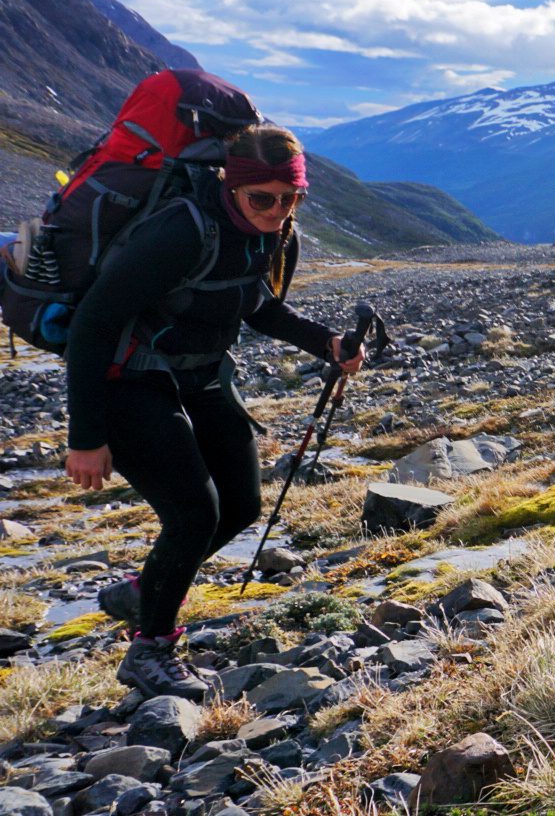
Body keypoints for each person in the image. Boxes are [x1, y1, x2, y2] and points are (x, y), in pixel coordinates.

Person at [62, 123, 363, 700]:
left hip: (198, 372)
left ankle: (140, 591)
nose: (277, 210)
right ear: (230, 184)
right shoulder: (180, 230)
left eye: (290, 198)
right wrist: (86, 435)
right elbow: (93, 324)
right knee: (194, 514)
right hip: (130, 377)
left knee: (242, 504)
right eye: (263, 198)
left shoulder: (270, 233)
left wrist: (326, 342)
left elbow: (256, 303)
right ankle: (150, 649)